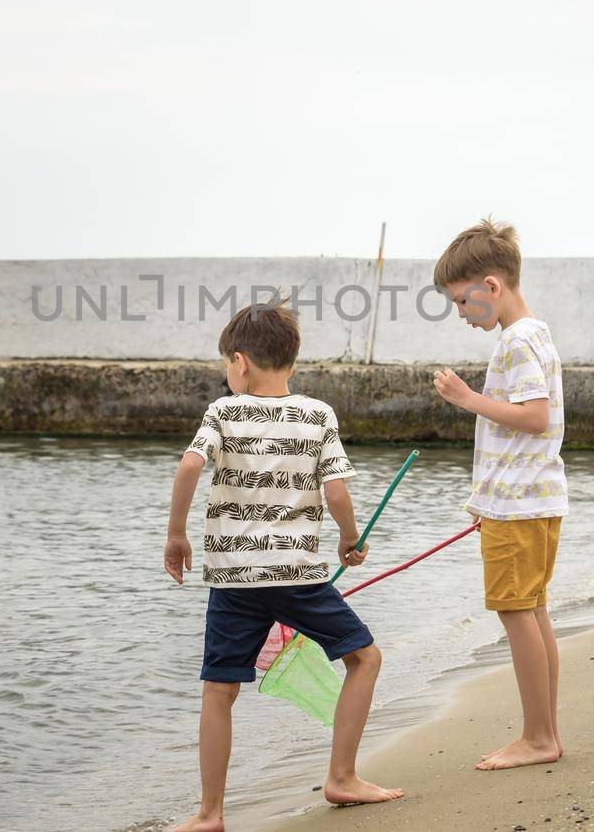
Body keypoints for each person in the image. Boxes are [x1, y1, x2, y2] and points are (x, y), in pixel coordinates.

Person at [163, 301, 403, 831]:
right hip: (298, 576)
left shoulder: (223, 412)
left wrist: (177, 535)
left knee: (219, 690)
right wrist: (349, 539)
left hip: (234, 579)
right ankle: (341, 776)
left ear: (240, 363)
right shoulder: (317, 415)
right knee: (364, 658)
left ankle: (210, 813)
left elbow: (188, 466)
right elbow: (336, 491)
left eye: (228, 363)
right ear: (291, 365)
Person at [430, 217, 569, 771]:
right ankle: (547, 733)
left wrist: (467, 398)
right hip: (534, 500)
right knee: (532, 611)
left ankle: (538, 737)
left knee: (518, 612)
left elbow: (534, 417)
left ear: (492, 286)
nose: (461, 315)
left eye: (463, 302)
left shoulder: (515, 342)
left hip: (518, 503)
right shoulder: (537, 333)